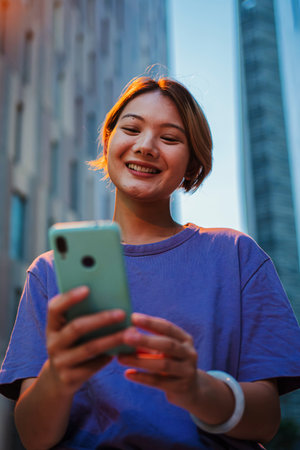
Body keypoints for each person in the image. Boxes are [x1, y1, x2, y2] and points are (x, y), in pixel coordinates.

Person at [1, 76, 300, 450]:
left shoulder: (237, 256)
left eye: (170, 138)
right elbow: (33, 438)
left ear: (192, 164)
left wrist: (196, 388)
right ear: (108, 140)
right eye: (131, 129)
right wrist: (58, 374)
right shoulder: (49, 271)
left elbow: (266, 422)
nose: (145, 146)